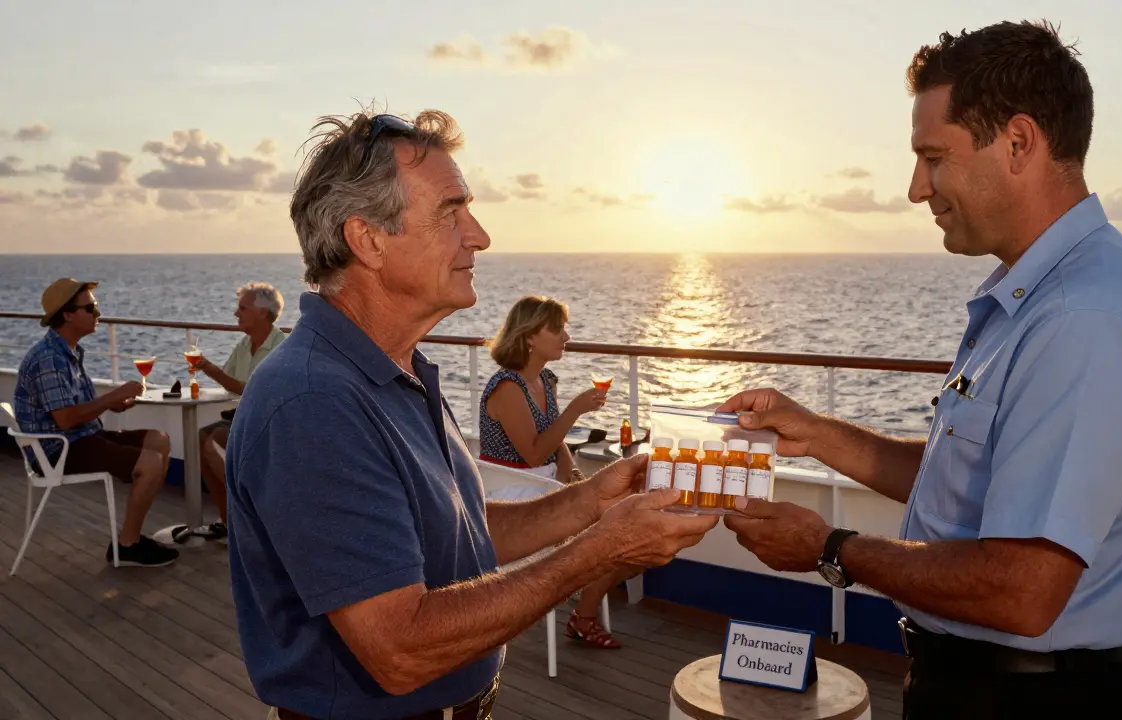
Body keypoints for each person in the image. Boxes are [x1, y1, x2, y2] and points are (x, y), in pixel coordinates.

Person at [719, 20, 1122, 720]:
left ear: (1017, 143)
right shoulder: (1037, 300)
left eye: (933, 157)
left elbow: (1023, 590)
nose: (918, 188)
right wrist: (817, 433)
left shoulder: (1085, 320)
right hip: (990, 687)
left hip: (1038, 700)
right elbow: (975, 488)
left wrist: (828, 546)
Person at [223, 108, 718, 719]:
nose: (479, 235)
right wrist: (602, 551)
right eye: (450, 213)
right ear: (368, 240)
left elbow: (464, 530)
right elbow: (399, 649)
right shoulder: (313, 403)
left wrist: (594, 503)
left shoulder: (395, 368)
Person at [481, 294, 636, 649]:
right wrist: (576, 411)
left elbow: (556, 442)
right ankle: (582, 617)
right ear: (530, 336)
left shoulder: (546, 380)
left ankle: (583, 612)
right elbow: (534, 453)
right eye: (557, 329)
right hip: (514, 495)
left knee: (625, 520)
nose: (566, 337)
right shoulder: (506, 388)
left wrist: (575, 476)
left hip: (543, 483)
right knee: (613, 530)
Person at [13, 278, 181, 567]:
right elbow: (65, 419)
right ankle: (128, 545)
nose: (98, 314)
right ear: (67, 314)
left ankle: (132, 537)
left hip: (80, 437)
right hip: (59, 449)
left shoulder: (69, 352)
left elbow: (77, 409)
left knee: (159, 440)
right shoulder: (49, 358)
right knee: (151, 462)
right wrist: (112, 395)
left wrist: (112, 404)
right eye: (91, 308)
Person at [176, 281, 287, 543]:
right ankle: (228, 522)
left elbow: (250, 390)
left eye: (242, 308)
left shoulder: (281, 346)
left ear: (262, 313)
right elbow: (231, 383)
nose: (236, 314)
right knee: (202, 437)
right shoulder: (244, 344)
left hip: (270, 426)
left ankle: (248, 518)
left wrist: (208, 368)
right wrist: (204, 369)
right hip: (246, 419)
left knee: (213, 439)